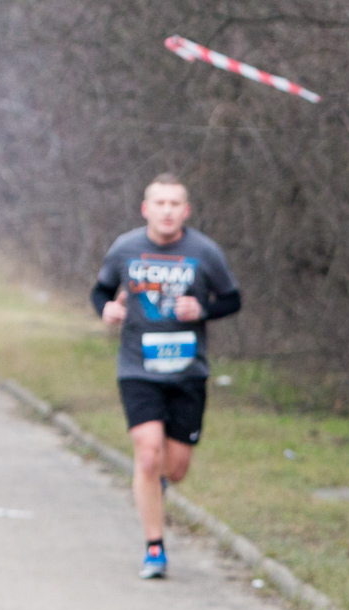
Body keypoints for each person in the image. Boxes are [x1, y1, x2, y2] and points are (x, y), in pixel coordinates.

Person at [91, 174, 241, 580]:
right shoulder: (125, 248)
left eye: (175, 204)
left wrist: (203, 310)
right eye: (160, 203)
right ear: (146, 209)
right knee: (147, 454)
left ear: (186, 211)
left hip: (187, 373)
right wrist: (106, 309)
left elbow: (232, 298)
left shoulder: (204, 252)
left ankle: (154, 489)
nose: (167, 211)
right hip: (138, 369)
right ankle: (154, 549)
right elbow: (101, 291)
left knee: (174, 467)